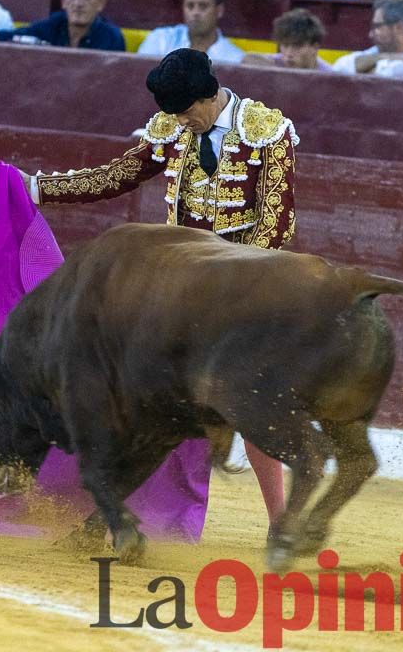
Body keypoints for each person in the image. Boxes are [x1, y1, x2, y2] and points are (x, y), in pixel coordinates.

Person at [18, 47, 298, 527]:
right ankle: (122, 511)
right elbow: (118, 176)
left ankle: (282, 522)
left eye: (187, 112)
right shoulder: (172, 128)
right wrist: (40, 189)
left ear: (209, 96)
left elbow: (276, 223)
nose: (182, 123)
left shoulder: (267, 131)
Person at [136, 0, 246, 63]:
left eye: (203, 6)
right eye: (190, 6)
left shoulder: (232, 57)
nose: (195, 12)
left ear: (219, 10)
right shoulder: (160, 39)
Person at [242, 7, 333, 70]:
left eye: (297, 47)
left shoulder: (330, 76)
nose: (289, 54)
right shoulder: (272, 63)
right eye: (285, 45)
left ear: (315, 47)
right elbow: (248, 58)